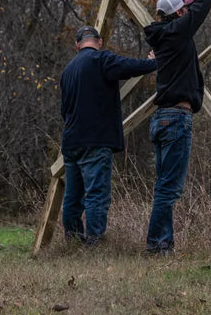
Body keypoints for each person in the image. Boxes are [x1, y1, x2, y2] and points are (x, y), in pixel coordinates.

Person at [141, 0, 211, 254]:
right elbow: (202, 6)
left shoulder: (164, 36)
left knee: (165, 186)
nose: (187, 15)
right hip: (176, 119)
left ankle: (164, 244)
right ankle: (157, 245)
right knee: (168, 188)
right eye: (183, 12)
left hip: (162, 118)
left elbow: (193, 8)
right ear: (177, 15)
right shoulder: (176, 32)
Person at [59, 24, 157, 246]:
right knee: (96, 194)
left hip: (71, 142)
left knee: (73, 198)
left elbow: (64, 111)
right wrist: (153, 62)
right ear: (99, 42)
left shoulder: (67, 71)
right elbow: (129, 66)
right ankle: (94, 244)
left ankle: (73, 243)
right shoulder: (100, 59)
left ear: (77, 45)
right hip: (95, 140)